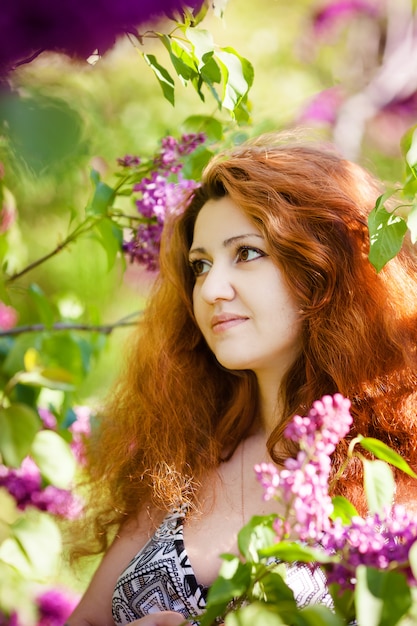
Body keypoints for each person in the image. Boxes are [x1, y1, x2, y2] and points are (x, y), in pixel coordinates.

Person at [67, 132, 417, 626]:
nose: (210, 288)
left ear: (322, 267)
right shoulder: (185, 455)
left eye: (247, 253)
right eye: (200, 265)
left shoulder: (397, 476)